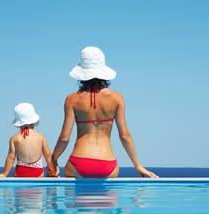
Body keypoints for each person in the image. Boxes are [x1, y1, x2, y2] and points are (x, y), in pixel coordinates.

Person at [49, 46, 158, 178]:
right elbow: (125, 136)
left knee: (73, 198)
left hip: (79, 162)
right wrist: (138, 165)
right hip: (108, 164)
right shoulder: (117, 98)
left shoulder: (71, 99)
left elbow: (64, 138)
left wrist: (53, 159)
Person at [0, 102, 55, 177]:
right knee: (38, 188)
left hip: (20, 172)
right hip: (37, 173)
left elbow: (11, 158)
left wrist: (4, 174)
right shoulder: (40, 137)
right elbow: (48, 155)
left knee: (20, 188)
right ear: (33, 121)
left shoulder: (14, 138)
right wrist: (52, 171)